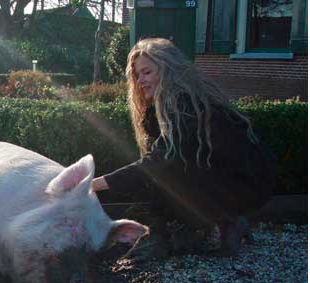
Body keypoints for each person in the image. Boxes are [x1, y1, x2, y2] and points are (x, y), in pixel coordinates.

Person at [92, 38, 276, 258]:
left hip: (246, 185)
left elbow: (157, 163)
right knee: (166, 162)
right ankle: (228, 221)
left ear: (167, 70)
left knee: (163, 171)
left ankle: (175, 232)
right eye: (137, 75)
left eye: (147, 72)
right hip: (249, 182)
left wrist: (93, 185)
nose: (140, 80)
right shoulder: (187, 99)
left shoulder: (182, 105)